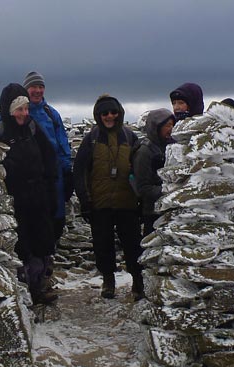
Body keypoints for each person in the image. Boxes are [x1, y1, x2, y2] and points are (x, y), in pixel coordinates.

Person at [0, 83, 59, 305]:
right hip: (14, 199)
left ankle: (39, 285)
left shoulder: (32, 128)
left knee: (42, 241)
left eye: (26, 109)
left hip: (37, 195)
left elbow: (49, 156)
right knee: (21, 244)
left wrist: (50, 186)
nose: (24, 114)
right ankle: (23, 290)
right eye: (20, 110)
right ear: (9, 110)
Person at [73, 94, 145, 301]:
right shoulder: (92, 138)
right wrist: (85, 201)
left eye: (113, 112)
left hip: (127, 202)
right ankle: (108, 280)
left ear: (120, 113)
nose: (109, 116)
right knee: (102, 245)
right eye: (105, 113)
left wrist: (140, 199)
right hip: (100, 202)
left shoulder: (130, 137)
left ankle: (137, 280)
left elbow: (141, 170)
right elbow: (80, 171)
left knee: (132, 244)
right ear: (98, 115)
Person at [22, 71, 74, 244]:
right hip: (31, 174)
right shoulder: (21, 114)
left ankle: (49, 255)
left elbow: (62, 142)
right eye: (33, 87)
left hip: (54, 174)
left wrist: (67, 170)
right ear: (26, 89)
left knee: (55, 215)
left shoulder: (51, 114)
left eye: (41, 87)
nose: (37, 91)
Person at [131, 108, 176, 237]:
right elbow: (143, 187)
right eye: (167, 125)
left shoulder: (170, 147)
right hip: (152, 211)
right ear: (156, 127)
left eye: (173, 125)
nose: (171, 129)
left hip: (167, 209)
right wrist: (169, 190)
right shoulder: (144, 151)